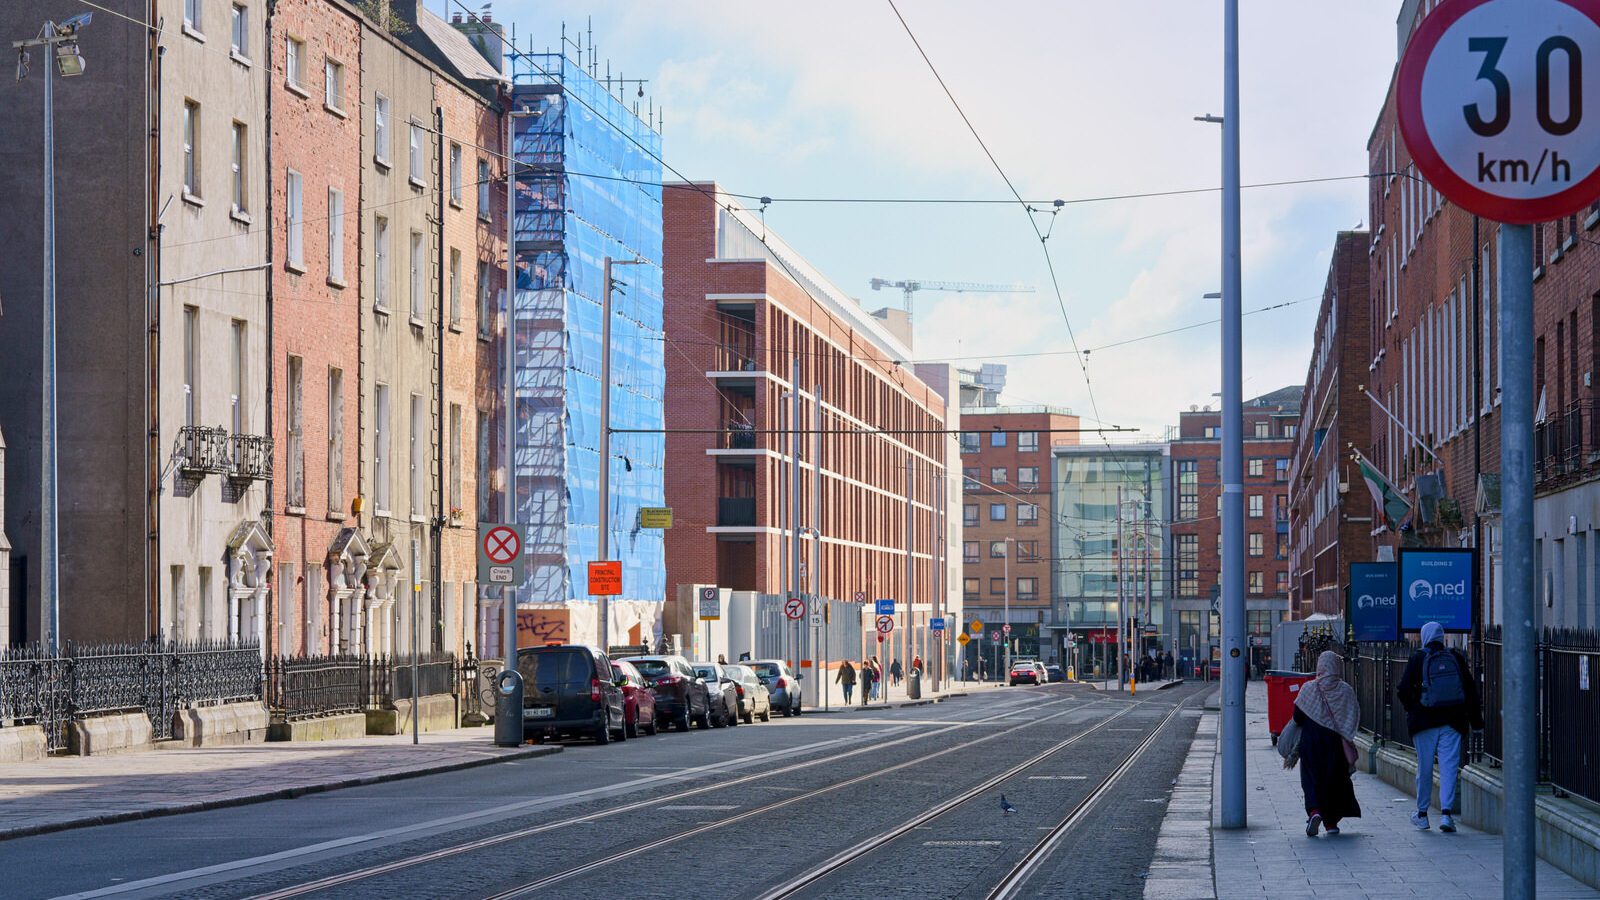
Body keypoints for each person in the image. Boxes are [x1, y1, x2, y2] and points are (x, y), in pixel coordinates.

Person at [1396, 621, 1484, 833]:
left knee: (1424, 767)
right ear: (1442, 636)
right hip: (1453, 721)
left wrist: (1413, 709)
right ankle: (1446, 815)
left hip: (1424, 722)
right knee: (1449, 767)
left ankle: (1423, 814)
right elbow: (1470, 691)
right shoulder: (1455, 657)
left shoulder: (1418, 658)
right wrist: (1476, 723)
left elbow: (1403, 690)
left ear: (1425, 636)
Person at [1290, 650, 1362, 837]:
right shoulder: (1346, 690)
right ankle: (1331, 823)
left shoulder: (1308, 688)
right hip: (1336, 744)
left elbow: (1297, 718)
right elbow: (1353, 717)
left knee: (1311, 779)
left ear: (1320, 667)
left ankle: (1314, 812)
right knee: (1335, 781)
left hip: (1311, 743)